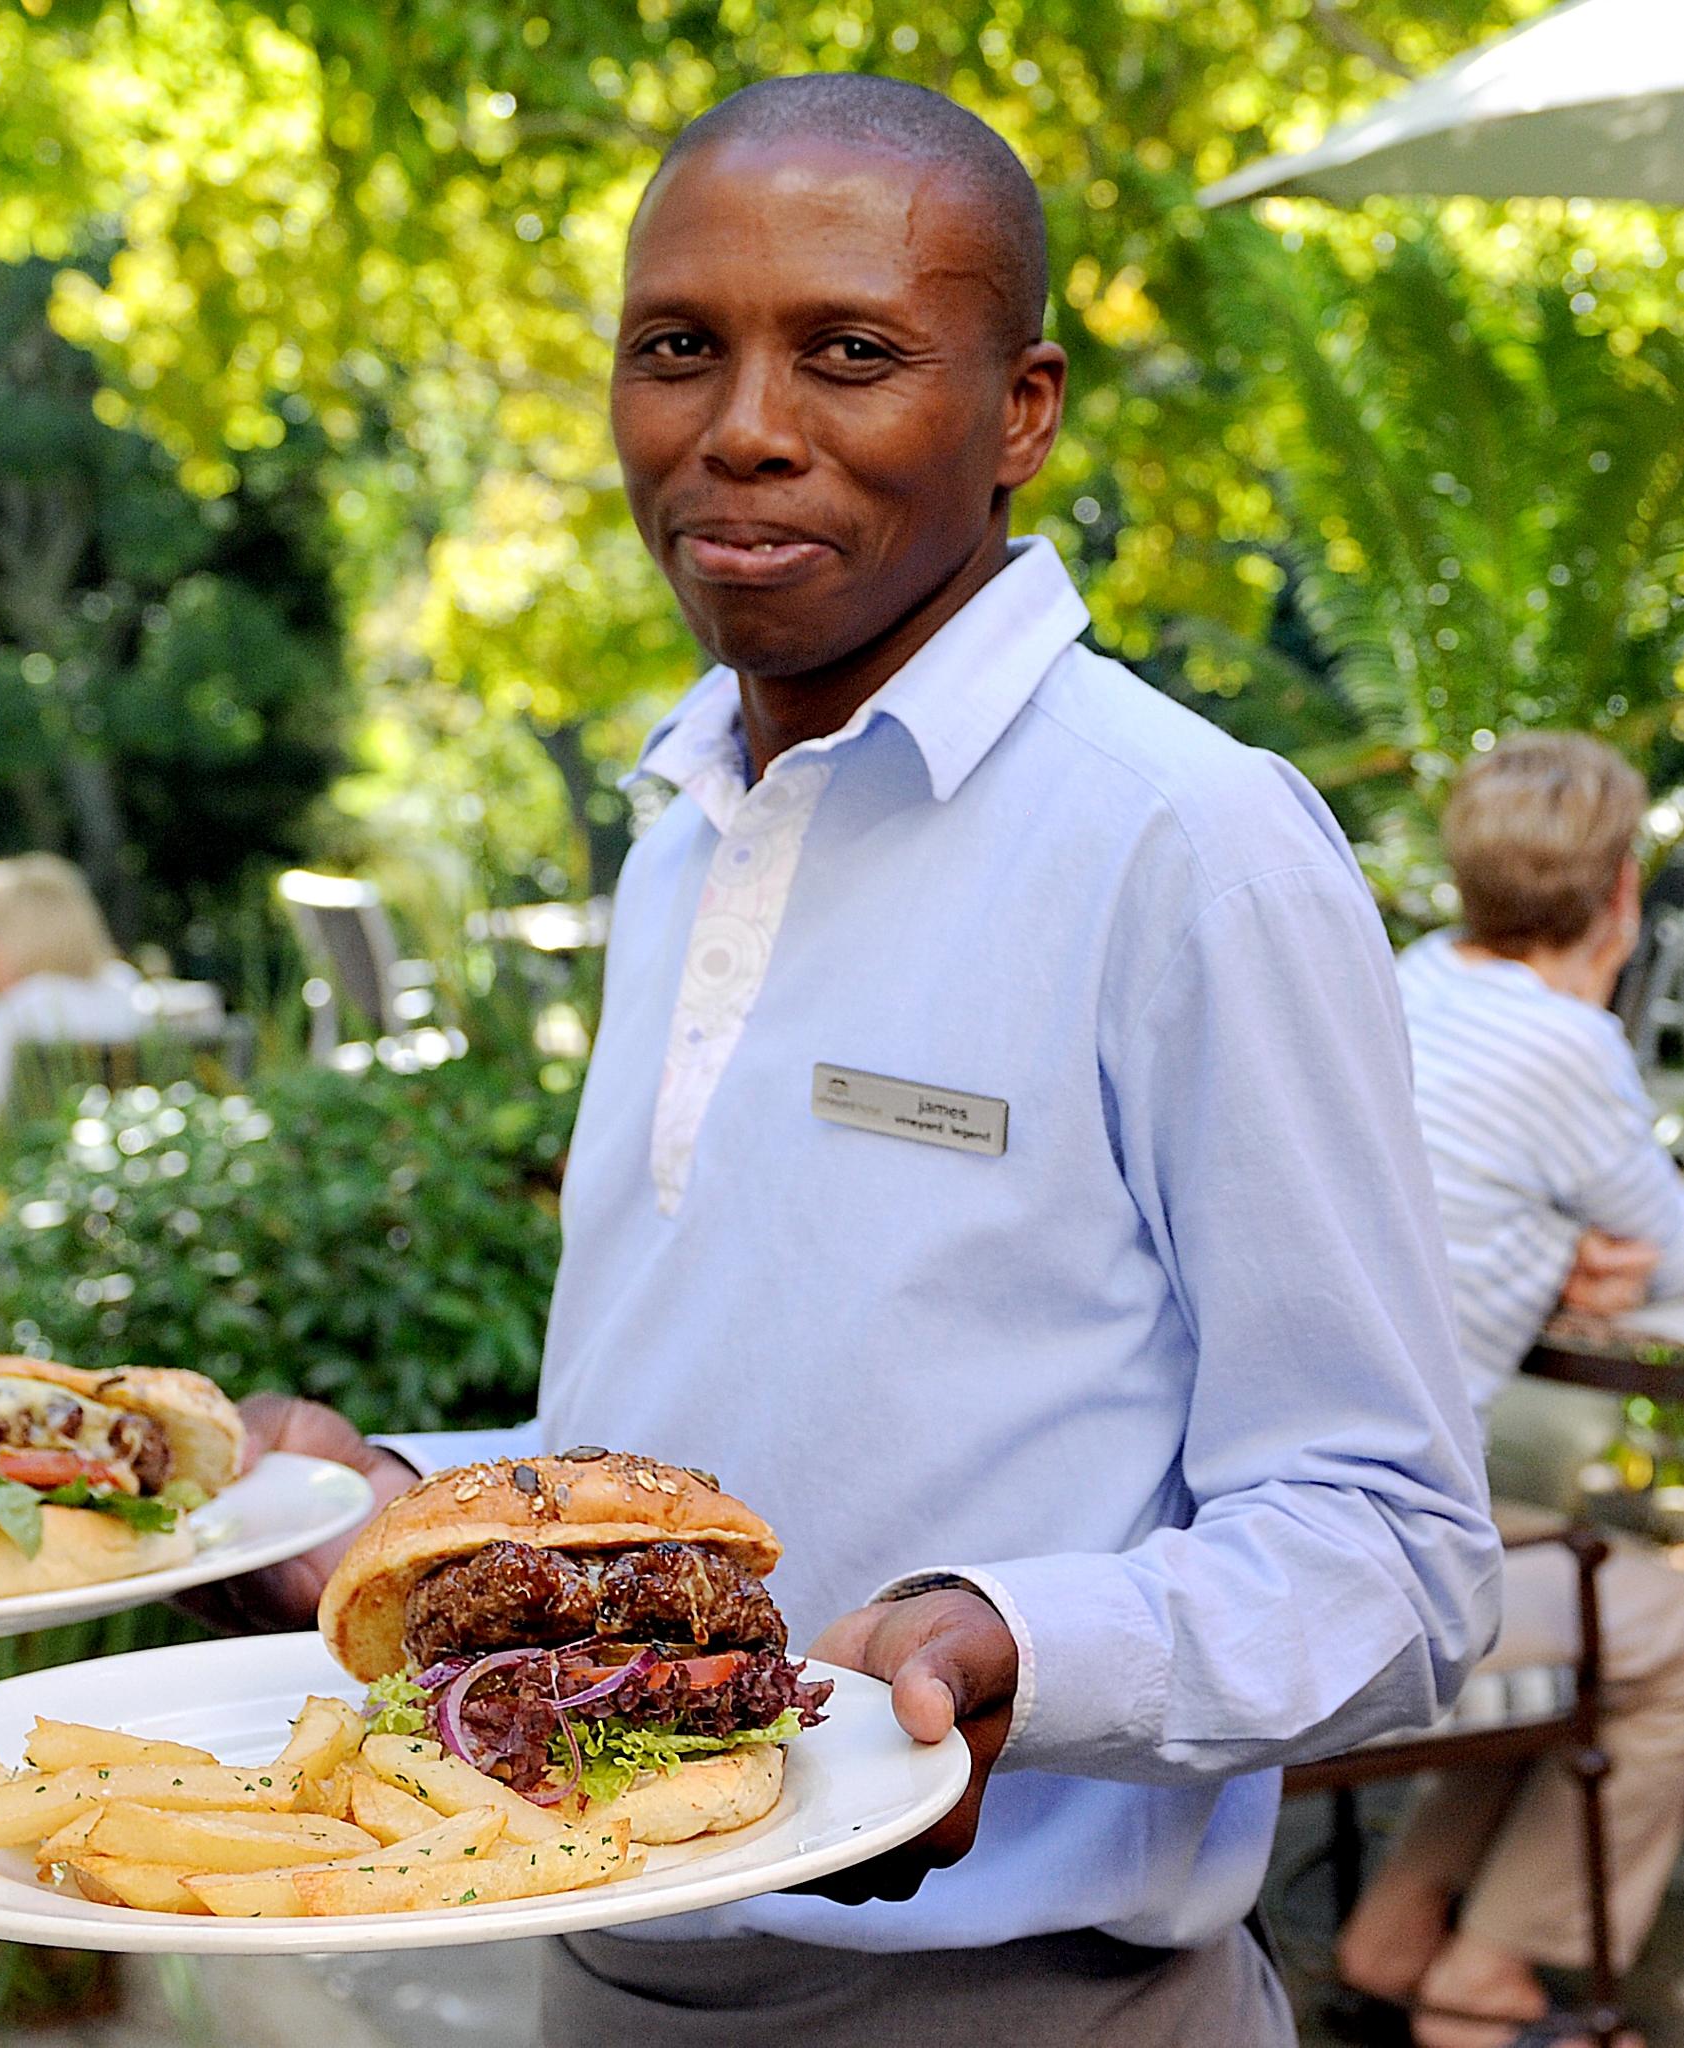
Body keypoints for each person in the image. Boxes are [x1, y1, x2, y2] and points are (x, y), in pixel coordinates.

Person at [190, 75, 1496, 2043]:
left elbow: (1395, 1552)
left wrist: (1008, 1648)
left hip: (1023, 2001)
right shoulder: (677, 826)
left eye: (850, 352)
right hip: (596, 1960)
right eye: (674, 349)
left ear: (1018, 412)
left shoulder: (1180, 844)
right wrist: (387, 1500)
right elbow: (709, 1431)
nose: (738, 427)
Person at [1331, 732, 1684, 2048]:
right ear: (1615, 896)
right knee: (1667, 1631)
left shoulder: (1406, 985)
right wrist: (1589, 1253)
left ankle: (1395, 1930)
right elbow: (1670, 1249)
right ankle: (1489, 1978)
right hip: (1367, 1555)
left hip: (1281, 1513)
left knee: (1580, 1586)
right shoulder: (1565, 1048)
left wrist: (1561, 1251)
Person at [0, 854, 170, 1194]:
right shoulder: (129, 994)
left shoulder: (4, 1023)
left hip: (15, 1214)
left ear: (11, 938)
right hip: (124, 1197)